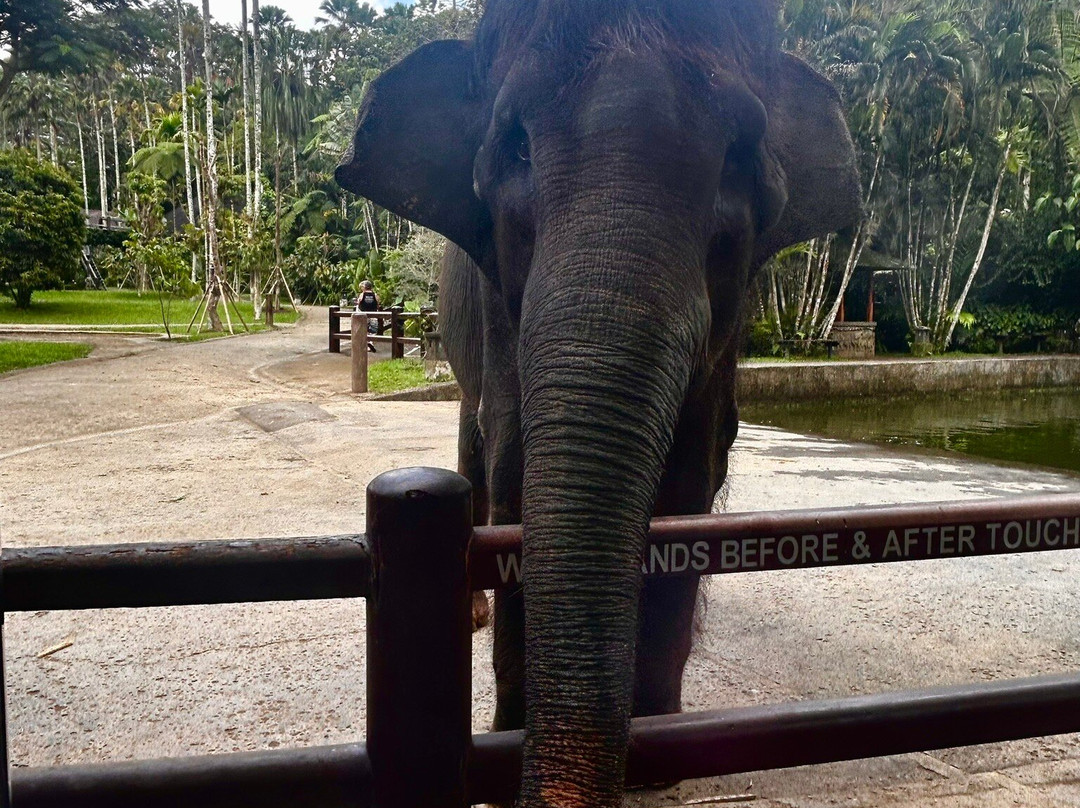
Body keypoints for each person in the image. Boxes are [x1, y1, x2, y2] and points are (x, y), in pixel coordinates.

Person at [357, 280, 380, 353]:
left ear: (364, 287)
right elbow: (378, 304)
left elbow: (359, 303)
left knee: (364, 329)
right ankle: (370, 342)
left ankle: (365, 344)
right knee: (373, 330)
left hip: (364, 315)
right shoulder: (375, 295)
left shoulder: (362, 294)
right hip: (373, 314)